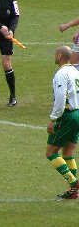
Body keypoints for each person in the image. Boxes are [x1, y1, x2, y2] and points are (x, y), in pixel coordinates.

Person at [46, 45, 79, 199]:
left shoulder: (61, 74)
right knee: (68, 152)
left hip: (68, 115)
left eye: (55, 54)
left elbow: (60, 99)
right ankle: (73, 193)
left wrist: (53, 119)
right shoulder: (75, 71)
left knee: (51, 152)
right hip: (78, 113)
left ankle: (74, 183)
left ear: (59, 56)